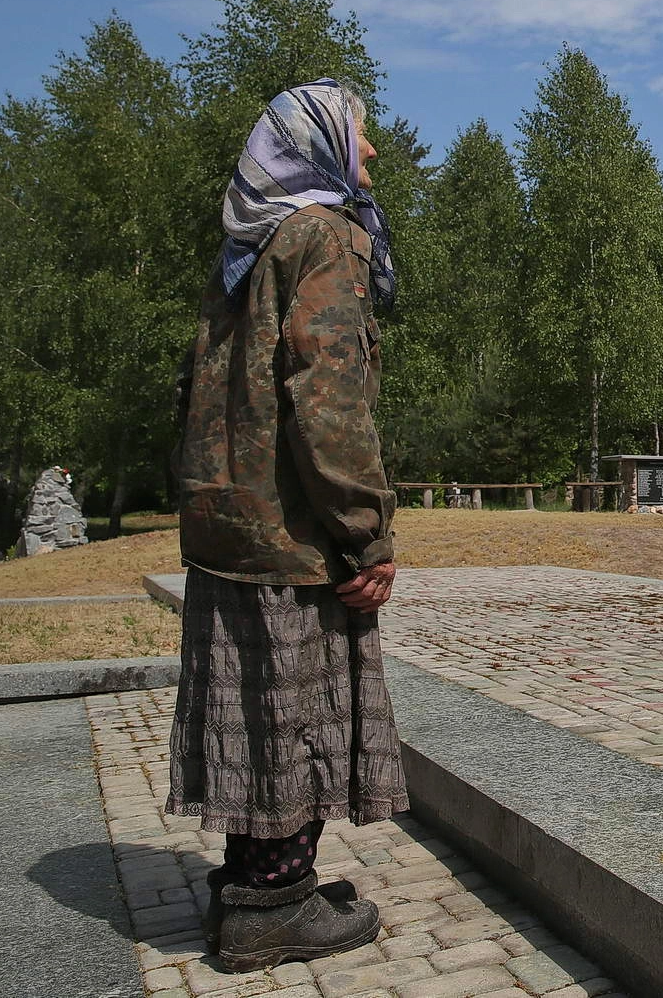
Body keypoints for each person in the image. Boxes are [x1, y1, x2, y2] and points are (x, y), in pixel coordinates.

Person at [167, 78, 408, 972]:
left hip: (226, 521)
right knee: (295, 713)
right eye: (360, 134)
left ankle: (256, 884)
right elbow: (328, 395)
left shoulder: (250, 239)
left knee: (253, 712)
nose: (372, 153)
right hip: (290, 532)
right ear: (319, 144)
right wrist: (367, 530)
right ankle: (273, 907)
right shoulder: (323, 237)